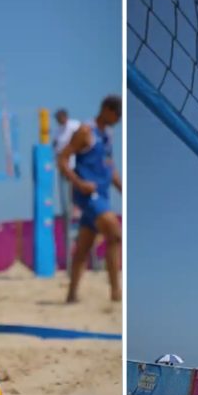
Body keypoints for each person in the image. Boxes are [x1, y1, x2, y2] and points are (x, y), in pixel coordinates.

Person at [57, 95, 123, 302]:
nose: (119, 119)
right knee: (115, 233)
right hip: (88, 195)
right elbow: (62, 159)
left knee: (84, 248)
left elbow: (109, 167)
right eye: (118, 114)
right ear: (106, 109)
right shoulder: (85, 131)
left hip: (102, 194)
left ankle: (71, 294)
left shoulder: (107, 135)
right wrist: (79, 183)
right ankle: (116, 293)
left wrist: (122, 189)